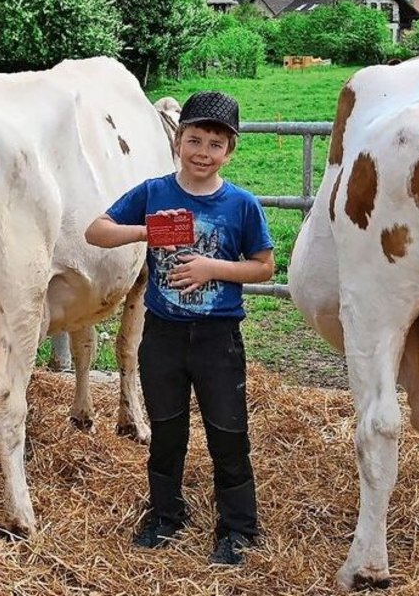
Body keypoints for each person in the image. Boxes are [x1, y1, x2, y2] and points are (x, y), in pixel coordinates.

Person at [84, 90, 274, 566]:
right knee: (167, 432)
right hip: (163, 336)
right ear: (178, 141)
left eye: (215, 144)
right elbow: (96, 231)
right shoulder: (154, 193)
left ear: (229, 151)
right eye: (194, 140)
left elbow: (264, 267)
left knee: (227, 432)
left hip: (217, 338)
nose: (203, 153)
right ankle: (166, 515)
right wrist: (148, 230)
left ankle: (238, 527)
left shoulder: (241, 205)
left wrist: (214, 268)